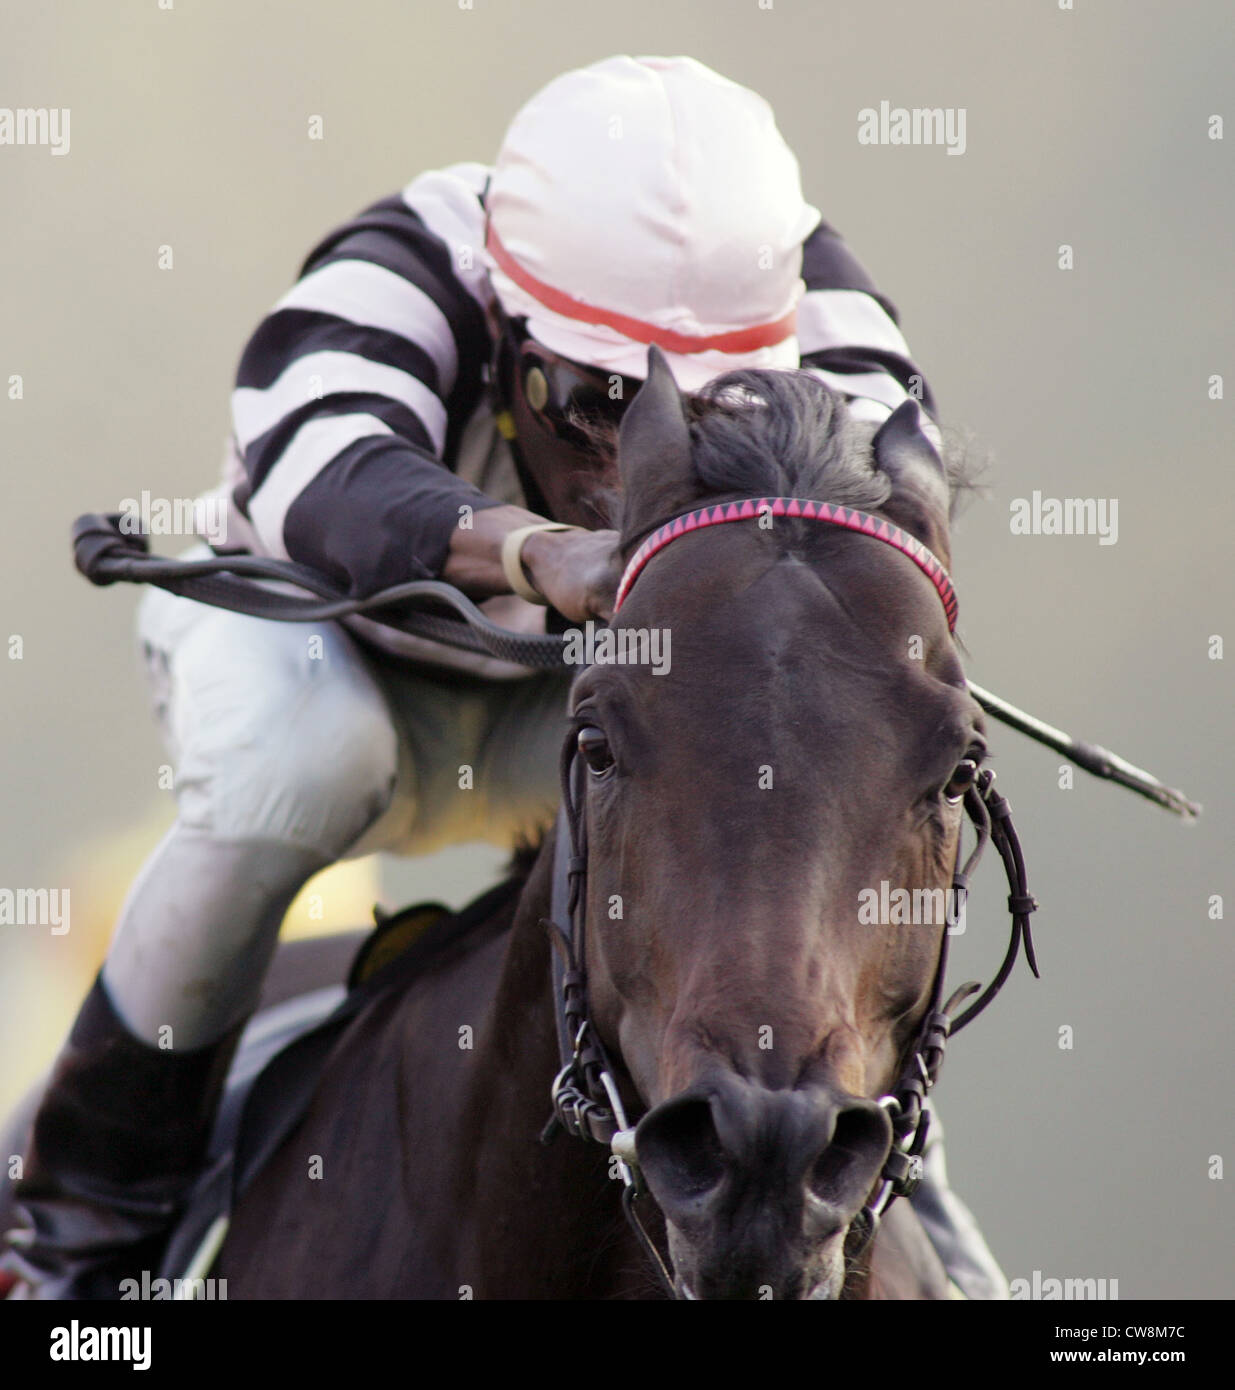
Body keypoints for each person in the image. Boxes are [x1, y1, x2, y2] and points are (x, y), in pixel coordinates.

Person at [2, 54, 1005, 1299]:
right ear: (511, 335)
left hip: (577, 702)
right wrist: (538, 549)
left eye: (698, 418)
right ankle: (76, 1221)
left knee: (808, 796)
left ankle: (920, 1198)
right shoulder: (407, 264)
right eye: (594, 404)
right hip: (318, 652)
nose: (632, 455)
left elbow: (873, 577)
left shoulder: (828, 324)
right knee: (301, 763)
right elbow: (324, 471)